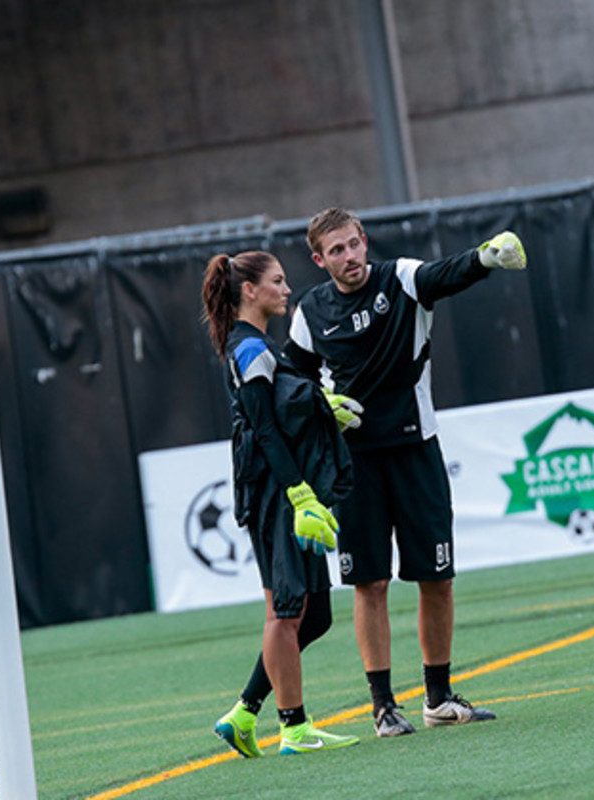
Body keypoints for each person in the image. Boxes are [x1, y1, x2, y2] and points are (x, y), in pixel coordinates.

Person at [283, 207, 527, 737]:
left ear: (364, 240)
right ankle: (382, 707)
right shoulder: (310, 311)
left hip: (417, 450)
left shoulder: (401, 280)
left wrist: (486, 257)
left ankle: (437, 698)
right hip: (354, 464)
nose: (349, 257)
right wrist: (321, 400)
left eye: (354, 245)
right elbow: (290, 382)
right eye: (336, 251)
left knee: (436, 578)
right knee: (369, 583)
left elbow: (447, 273)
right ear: (319, 259)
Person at [202, 250, 359, 757]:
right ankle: (293, 729)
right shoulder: (247, 349)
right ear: (250, 290)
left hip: (290, 486)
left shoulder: (262, 345)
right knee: (286, 610)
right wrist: (298, 491)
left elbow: (281, 412)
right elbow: (264, 429)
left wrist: (320, 407)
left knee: (315, 617)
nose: (287, 289)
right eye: (277, 280)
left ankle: (245, 713)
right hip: (278, 491)